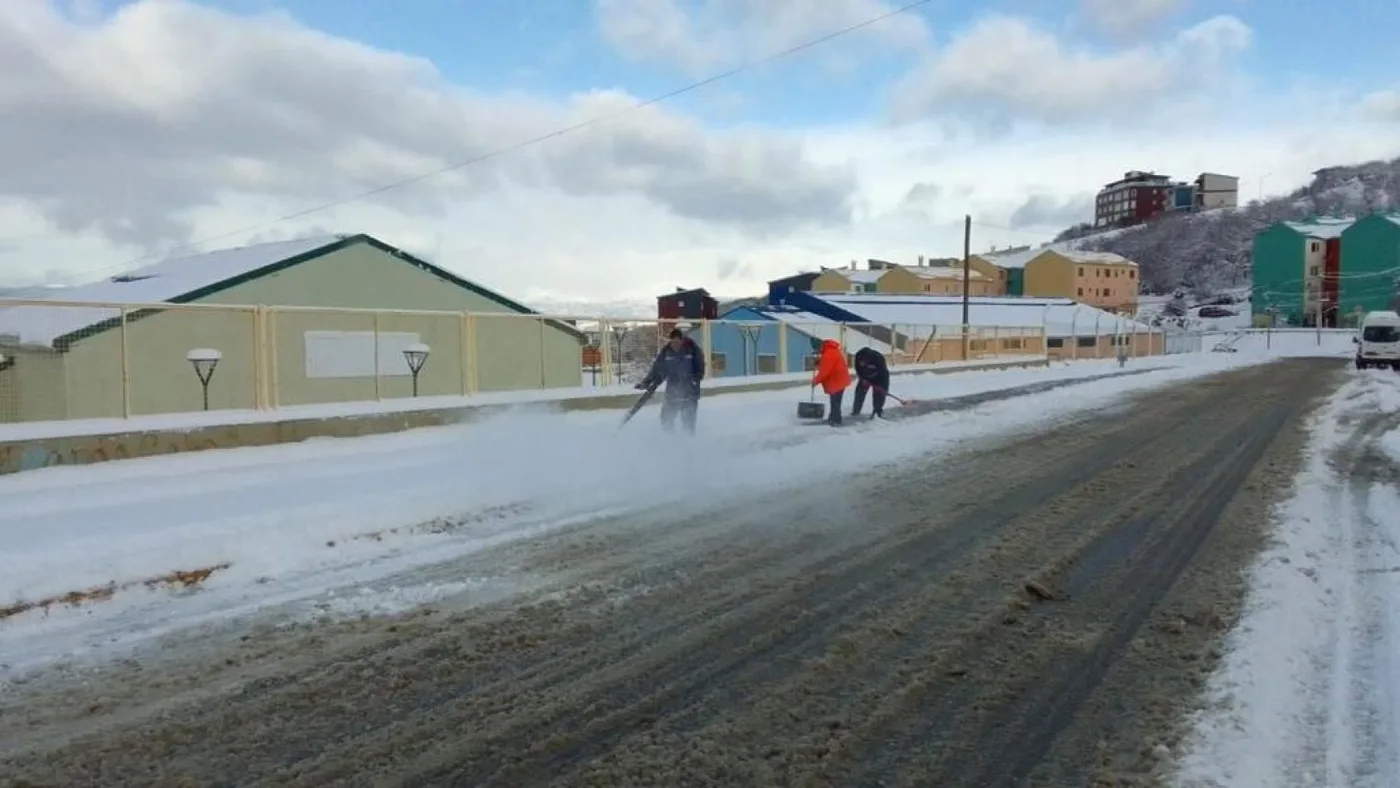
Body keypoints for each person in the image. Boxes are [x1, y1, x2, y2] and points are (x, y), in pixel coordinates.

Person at [638, 328, 705, 433]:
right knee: (666, 416)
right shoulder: (667, 351)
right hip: (672, 391)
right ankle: (670, 439)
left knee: (688, 420)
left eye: (677, 342)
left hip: (689, 392)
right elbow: (657, 369)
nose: (675, 345)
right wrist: (646, 382)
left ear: (682, 340)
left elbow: (700, 369)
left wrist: (693, 381)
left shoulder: (692, 349)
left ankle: (689, 443)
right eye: (673, 342)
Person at [809, 337, 851, 426]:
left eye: (817, 349)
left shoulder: (829, 354)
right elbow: (827, 364)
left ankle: (836, 420)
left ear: (820, 346)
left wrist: (815, 381)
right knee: (834, 401)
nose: (818, 351)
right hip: (838, 379)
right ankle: (833, 417)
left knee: (835, 402)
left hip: (837, 380)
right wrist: (819, 362)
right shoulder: (829, 350)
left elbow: (824, 372)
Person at [851, 346, 890, 419]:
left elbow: (884, 374)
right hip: (865, 377)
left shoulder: (878, 358)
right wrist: (862, 379)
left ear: (867, 360)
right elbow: (858, 370)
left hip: (879, 378)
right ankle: (856, 411)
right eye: (860, 362)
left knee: (878, 396)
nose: (861, 364)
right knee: (859, 393)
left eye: (863, 362)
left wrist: (884, 388)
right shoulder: (857, 357)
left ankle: (877, 413)